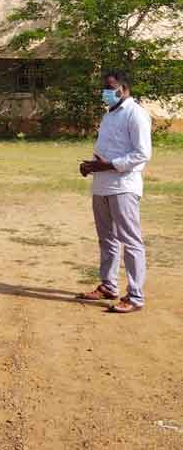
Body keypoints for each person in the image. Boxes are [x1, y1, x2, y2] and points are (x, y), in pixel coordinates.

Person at [77, 70, 152, 314]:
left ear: (124, 88)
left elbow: (142, 153)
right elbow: (108, 151)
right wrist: (91, 165)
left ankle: (135, 296)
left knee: (130, 241)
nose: (106, 92)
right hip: (102, 185)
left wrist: (107, 165)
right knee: (106, 238)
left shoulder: (136, 114)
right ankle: (109, 285)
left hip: (124, 187)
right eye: (104, 88)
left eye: (110, 87)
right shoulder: (110, 115)